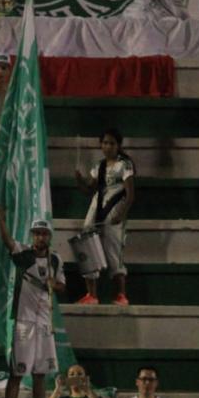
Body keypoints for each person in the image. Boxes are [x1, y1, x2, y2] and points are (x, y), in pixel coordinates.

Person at [0, 206, 64, 398]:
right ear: (32, 236)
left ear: (49, 236)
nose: (39, 237)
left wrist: (55, 284)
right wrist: (1, 222)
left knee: (40, 375)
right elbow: (8, 242)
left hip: (44, 321)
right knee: (17, 372)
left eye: (43, 233)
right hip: (23, 322)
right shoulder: (23, 254)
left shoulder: (56, 260)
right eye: (36, 233)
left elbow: (61, 285)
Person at [73, 128, 135, 305]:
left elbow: (130, 195)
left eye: (112, 143)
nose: (108, 146)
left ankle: (121, 295)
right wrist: (79, 180)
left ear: (118, 145)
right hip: (95, 211)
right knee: (87, 247)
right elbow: (88, 190)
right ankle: (91, 294)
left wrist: (121, 214)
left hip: (113, 212)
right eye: (105, 143)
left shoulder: (125, 165)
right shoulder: (99, 166)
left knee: (113, 252)